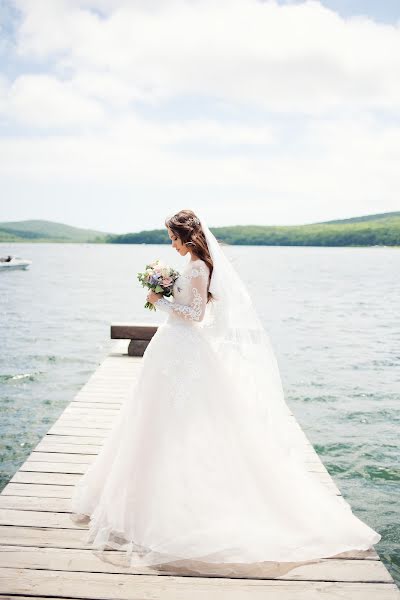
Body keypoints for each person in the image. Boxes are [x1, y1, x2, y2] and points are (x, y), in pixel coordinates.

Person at [70, 209, 381, 573]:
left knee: (180, 419)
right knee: (154, 418)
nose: (169, 242)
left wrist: (161, 300)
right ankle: (149, 495)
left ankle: (178, 500)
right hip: (171, 347)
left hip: (184, 347)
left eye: (172, 236)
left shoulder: (199, 267)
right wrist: (165, 291)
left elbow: (197, 314)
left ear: (184, 236)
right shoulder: (191, 264)